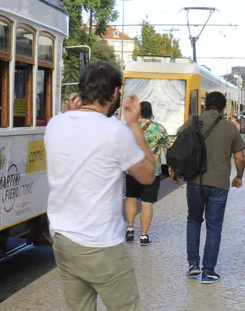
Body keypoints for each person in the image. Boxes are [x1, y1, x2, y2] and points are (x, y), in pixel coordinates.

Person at [45, 61, 156, 311]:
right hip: (101, 244)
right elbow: (148, 175)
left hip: (63, 240)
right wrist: (134, 125)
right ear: (116, 93)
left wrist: (69, 113)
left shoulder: (55, 124)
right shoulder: (115, 131)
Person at [169, 91, 245, 284]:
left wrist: (173, 168)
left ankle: (193, 265)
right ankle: (209, 271)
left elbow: (179, 146)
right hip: (219, 184)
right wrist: (238, 176)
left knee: (193, 220)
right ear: (223, 108)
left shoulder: (193, 122)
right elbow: (239, 158)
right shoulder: (230, 127)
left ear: (205, 106)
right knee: (214, 227)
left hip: (195, 182)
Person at [125, 101, 170, 246]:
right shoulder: (159, 128)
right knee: (147, 203)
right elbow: (166, 149)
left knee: (131, 198)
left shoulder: (130, 127)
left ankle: (130, 228)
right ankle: (144, 236)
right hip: (152, 172)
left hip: (132, 170)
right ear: (151, 112)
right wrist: (171, 167)